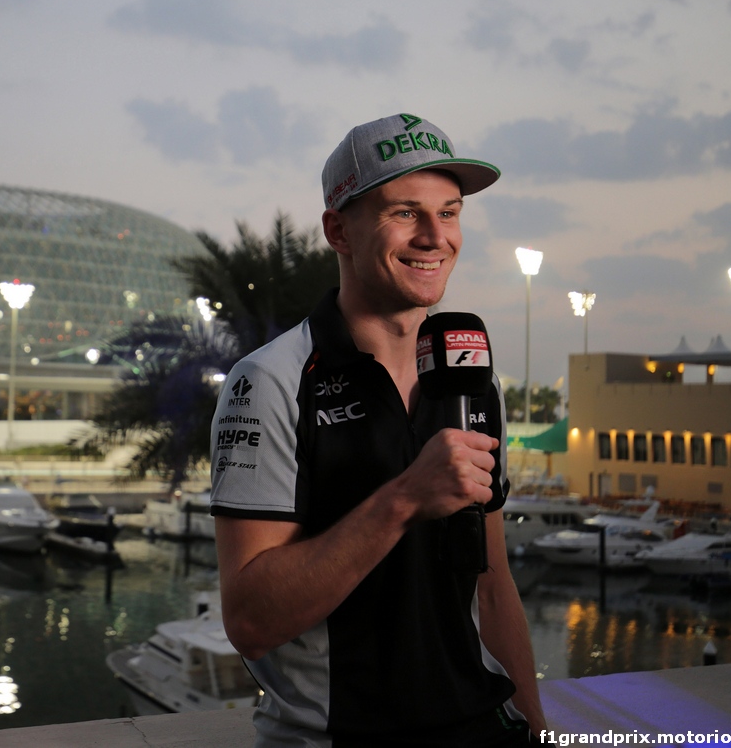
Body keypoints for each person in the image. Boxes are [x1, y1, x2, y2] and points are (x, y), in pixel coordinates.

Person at [210, 112, 546, 747]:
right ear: (339, 230)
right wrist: (403, 499)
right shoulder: (269, 382)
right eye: (404, 212)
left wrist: (539, 726)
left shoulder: (472, 375)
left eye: (449, 213)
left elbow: (492, 583)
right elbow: (251, 620)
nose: (434, 237)